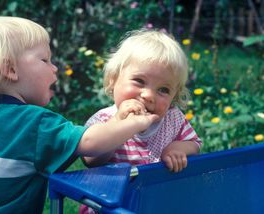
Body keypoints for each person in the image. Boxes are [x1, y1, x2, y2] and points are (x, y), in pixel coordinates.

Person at [0, 16, 160, 214]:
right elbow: (91, 142)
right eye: (45, 59)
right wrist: (135, 122)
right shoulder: (35, 123)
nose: (54, 68)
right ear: (10, 70)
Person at [79, 29, 202, 214]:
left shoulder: (173, 118)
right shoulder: (104, 120)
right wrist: (119, 125)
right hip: (109, 206)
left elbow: (195, 144)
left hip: (155, 204)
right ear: (113, 80)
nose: (148, 95)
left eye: (163, 90)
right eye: (139, 81)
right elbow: (90, 159)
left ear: (174, 96)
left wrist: (178, 148)